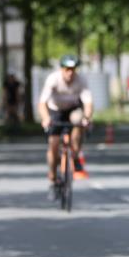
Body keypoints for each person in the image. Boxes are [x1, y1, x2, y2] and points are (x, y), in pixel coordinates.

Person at [38, 54, 94, 199]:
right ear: (62, 69)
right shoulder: (53, 79)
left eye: (73, 69)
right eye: (67, 69)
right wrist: (45, 119)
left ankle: (75, 155)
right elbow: (42, 102)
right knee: (53, 145)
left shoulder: (81, 80)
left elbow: (88, 102)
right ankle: (52, 179)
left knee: (79, 121)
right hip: (55, 111)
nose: (70, 72)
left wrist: (87, 118)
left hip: (72, 109)